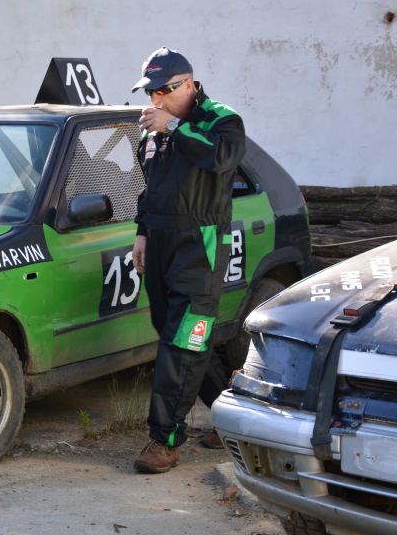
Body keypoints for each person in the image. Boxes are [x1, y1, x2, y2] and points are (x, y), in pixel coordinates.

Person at [129, 47, 246, 473]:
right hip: (160, 241)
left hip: (202, 243)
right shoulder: (153, 130)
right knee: (176, 334)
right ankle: (236, 415)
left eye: (163, 90)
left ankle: (164, 439)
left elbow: (222, 157)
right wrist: (142, 233)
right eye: (150, 92)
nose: (155, 99)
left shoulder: (221, 118)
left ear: (189, 84)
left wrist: (175, 127)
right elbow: (150, 187)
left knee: (182, 343)